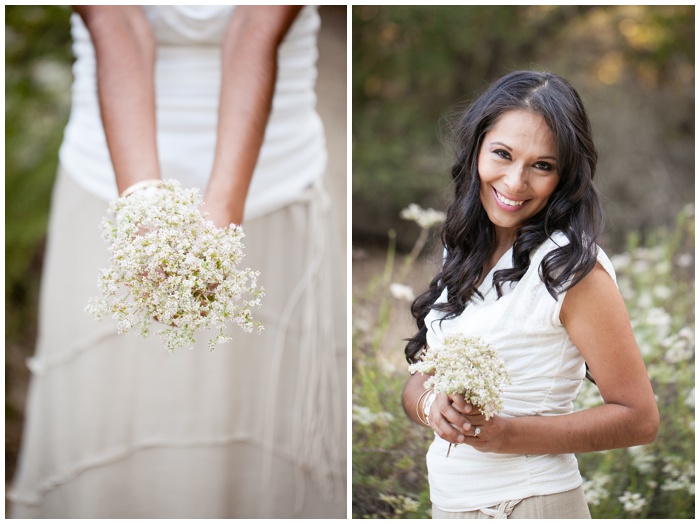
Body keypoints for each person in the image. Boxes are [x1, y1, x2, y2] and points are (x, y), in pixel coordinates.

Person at [9, 5, 346, 519]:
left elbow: (256, 25)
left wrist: (224, 216)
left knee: (252, 398)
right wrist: (142, 208)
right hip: (106, 169)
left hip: (270, 171)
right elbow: (115, 21)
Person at [402, 70, 659, 519]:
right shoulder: (461, 248)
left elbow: (639, 418)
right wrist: (431, 407)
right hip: (450, 505)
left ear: (565, 176)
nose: (516, 182)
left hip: (528, 504)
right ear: (476, 148)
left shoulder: (572, 270)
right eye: (502, 154)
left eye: (542, 165)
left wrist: (506, 436)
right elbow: (420, 379)